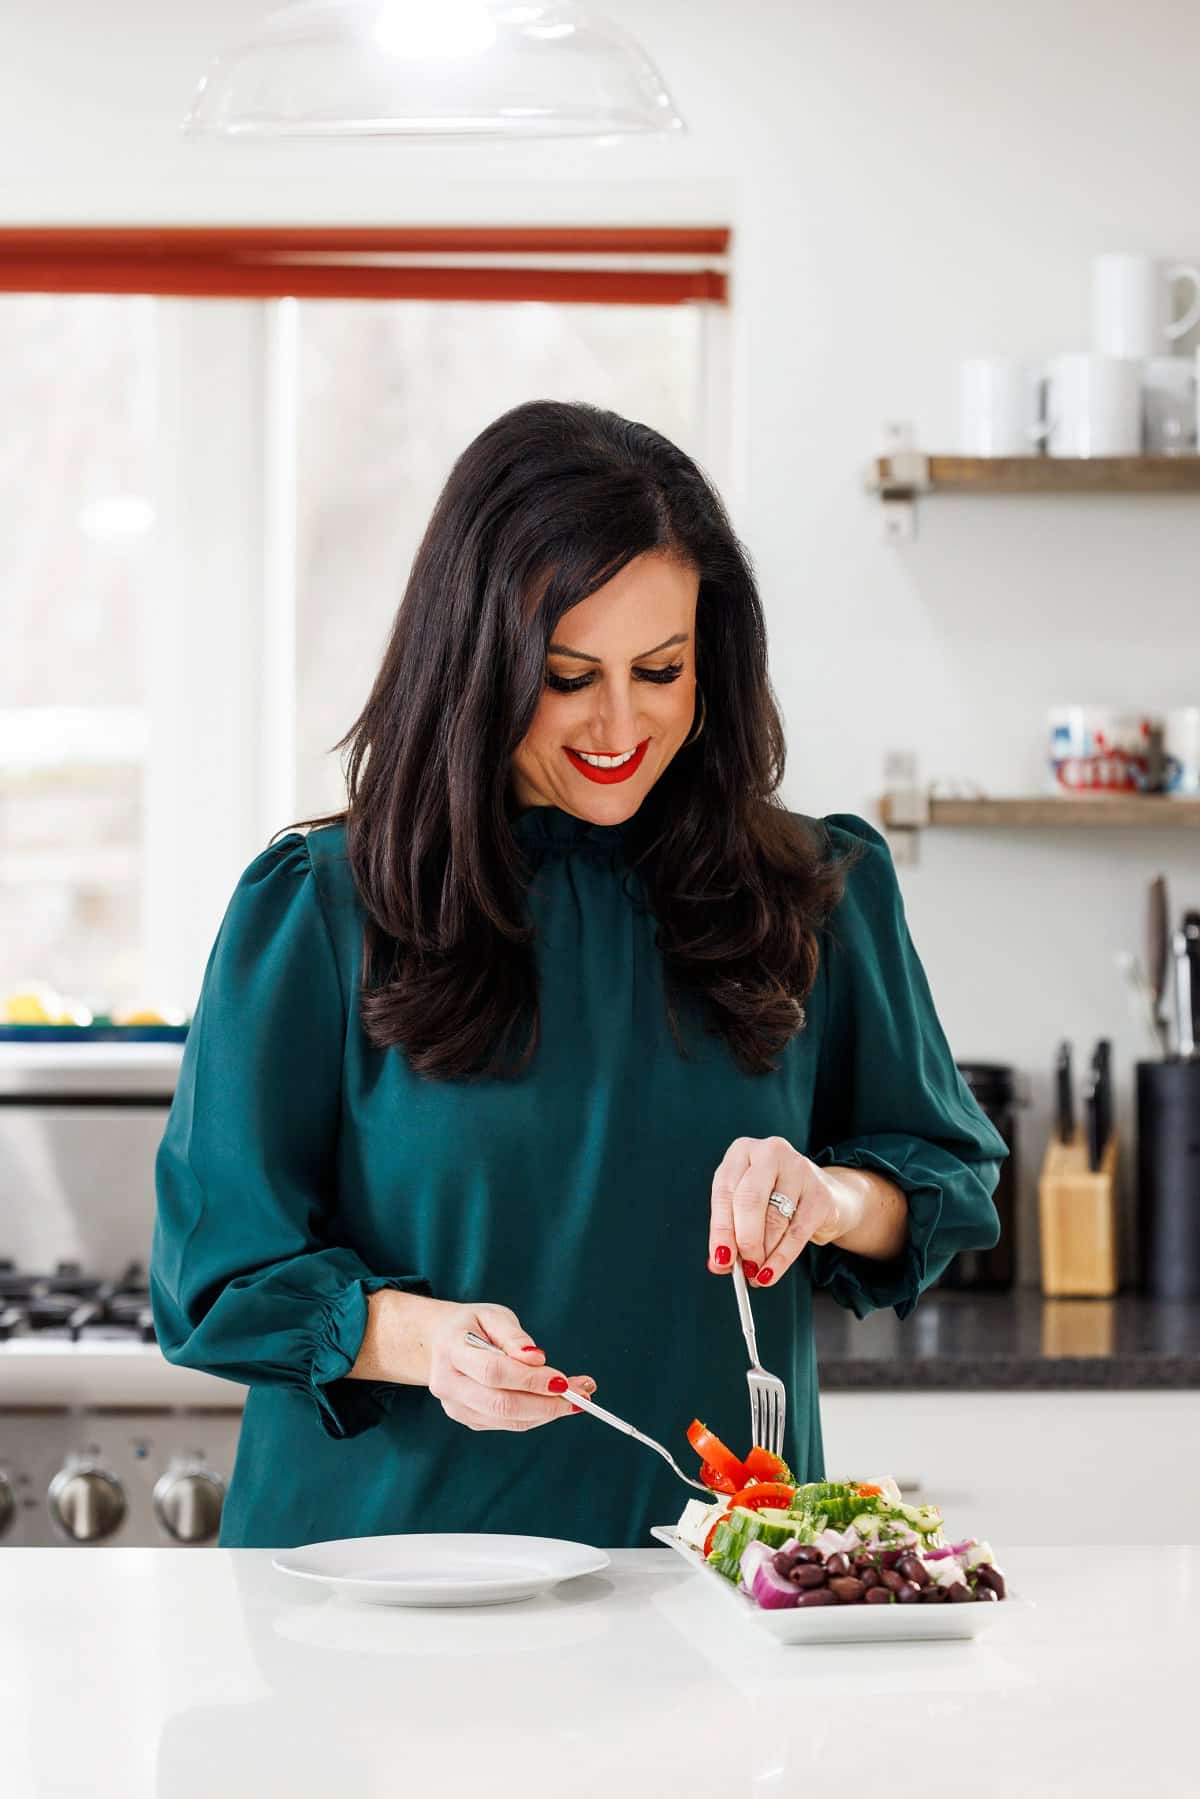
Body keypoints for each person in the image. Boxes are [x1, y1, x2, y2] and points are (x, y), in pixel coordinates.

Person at [151, 400, 1005, 1549]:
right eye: (566, 676)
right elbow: (213, 1275)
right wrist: (420, 1340)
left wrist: (830, 1196)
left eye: (661, 668)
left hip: (713, 1589)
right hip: (378, 1580)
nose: (619, 721)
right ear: (480, 664)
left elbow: (938, 1179)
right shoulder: (318, 906)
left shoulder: (817, 887)